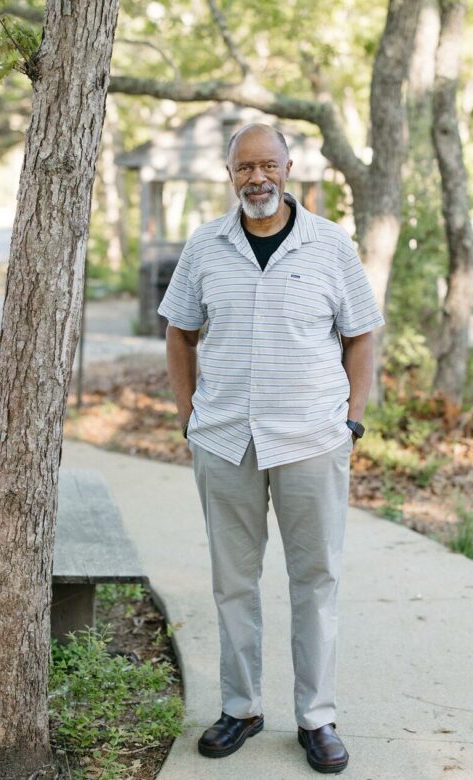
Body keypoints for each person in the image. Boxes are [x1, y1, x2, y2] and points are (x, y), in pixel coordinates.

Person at [158, 123, 385, 774]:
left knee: (315, 580)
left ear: (289, 169)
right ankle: (242, 707)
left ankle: (316, 717)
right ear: (229, 176)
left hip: (313, 438)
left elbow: (362, 334)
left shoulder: (329, 246)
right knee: (234, 583)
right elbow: (179, 334)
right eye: (243, 168)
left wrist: (352, 420)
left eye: (267, 165)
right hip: (226, 440)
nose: (256, 178)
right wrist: (188, 416)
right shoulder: (205, 246)